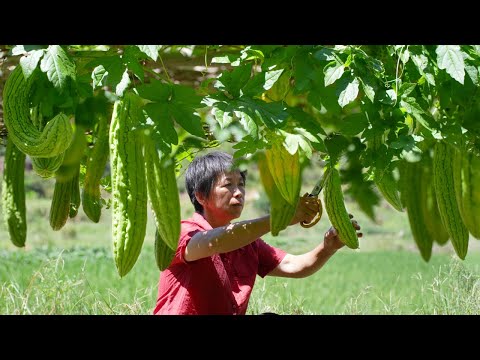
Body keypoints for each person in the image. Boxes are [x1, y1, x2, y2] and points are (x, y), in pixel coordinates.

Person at [153, 151, 362, 315]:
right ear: (200, 196)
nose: (239, 192)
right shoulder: (182, 232)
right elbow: (213, 242)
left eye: (241, 184)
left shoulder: (248, 243)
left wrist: (328, 248)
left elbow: (293, 265)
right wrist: (280, 218)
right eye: (228, 185)